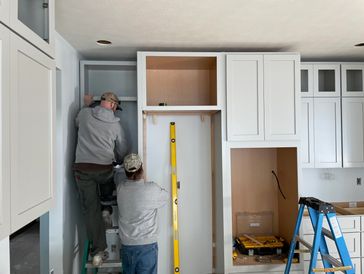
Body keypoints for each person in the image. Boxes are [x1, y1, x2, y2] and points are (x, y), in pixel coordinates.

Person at [73, 91, 128, 266]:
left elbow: (77, 123)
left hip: (82, 169)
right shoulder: (116, 126)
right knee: (108, 178)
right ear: (112, 105)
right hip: (104, 169)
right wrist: (118, 160)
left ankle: (98, 252)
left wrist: (87, 105)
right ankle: (106, 206)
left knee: (90, 209)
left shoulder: (84, 113)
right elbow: (123, 149)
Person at [115, 153, 169, 274]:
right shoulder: (152, 189)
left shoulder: (120, 189)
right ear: (142, 169)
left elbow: (119, 178)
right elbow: (166, 196)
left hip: (127, 246)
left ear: (126, 171)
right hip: (147, 246)